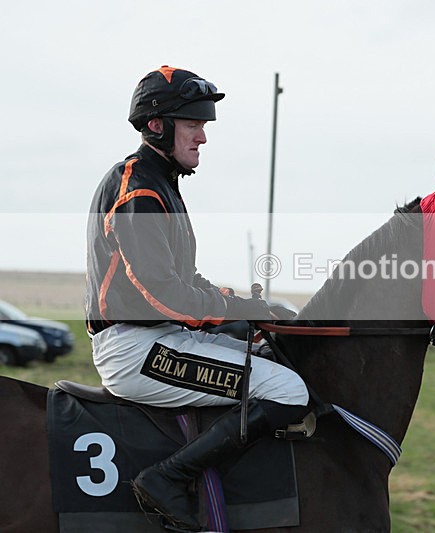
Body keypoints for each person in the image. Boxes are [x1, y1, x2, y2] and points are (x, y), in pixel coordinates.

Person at [85, 65, 309, 531]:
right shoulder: (139, 188)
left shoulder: (160, 182)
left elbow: (186, 281)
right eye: (193, 124)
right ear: (156, 125)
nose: (203, 137)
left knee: (275, 354)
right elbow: (166, 296)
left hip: (159, 337)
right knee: (288, 391)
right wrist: (237, 310)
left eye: (203, 125)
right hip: (133, 350)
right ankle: (167, 478)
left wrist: (249, 309)